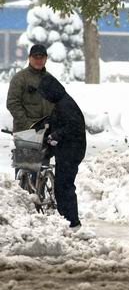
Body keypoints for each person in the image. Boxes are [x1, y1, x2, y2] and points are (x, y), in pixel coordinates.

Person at [37, 74, 86, 228]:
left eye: (45, 93)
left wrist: (56, 135)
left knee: (65, 186)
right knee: (62, 185)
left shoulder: (65, 104)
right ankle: (66, 218)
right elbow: (56, 121)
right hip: (67, 150)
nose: (45, 97)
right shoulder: (61, 102)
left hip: (71, 151)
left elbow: (73, 126)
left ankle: (72, 221)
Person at [6, 44, 56, 132]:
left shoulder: (50, 79)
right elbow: (12, 104)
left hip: (47, 130)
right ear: (29, 58)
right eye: (35, 57)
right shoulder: (20, 78)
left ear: (46, 58)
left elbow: (57, 103)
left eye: (42, 57)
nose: (39, 60)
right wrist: (29, 125)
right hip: (25, 132)